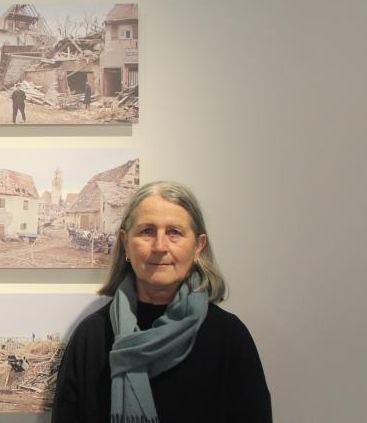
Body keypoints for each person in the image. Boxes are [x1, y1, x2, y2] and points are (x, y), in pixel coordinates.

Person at [52, 181, 271, 423]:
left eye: (174, 232)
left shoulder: (229, 338)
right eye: (147, 231)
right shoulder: (91, 338)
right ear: (125, 243)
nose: (159, 246)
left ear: (198, 247)